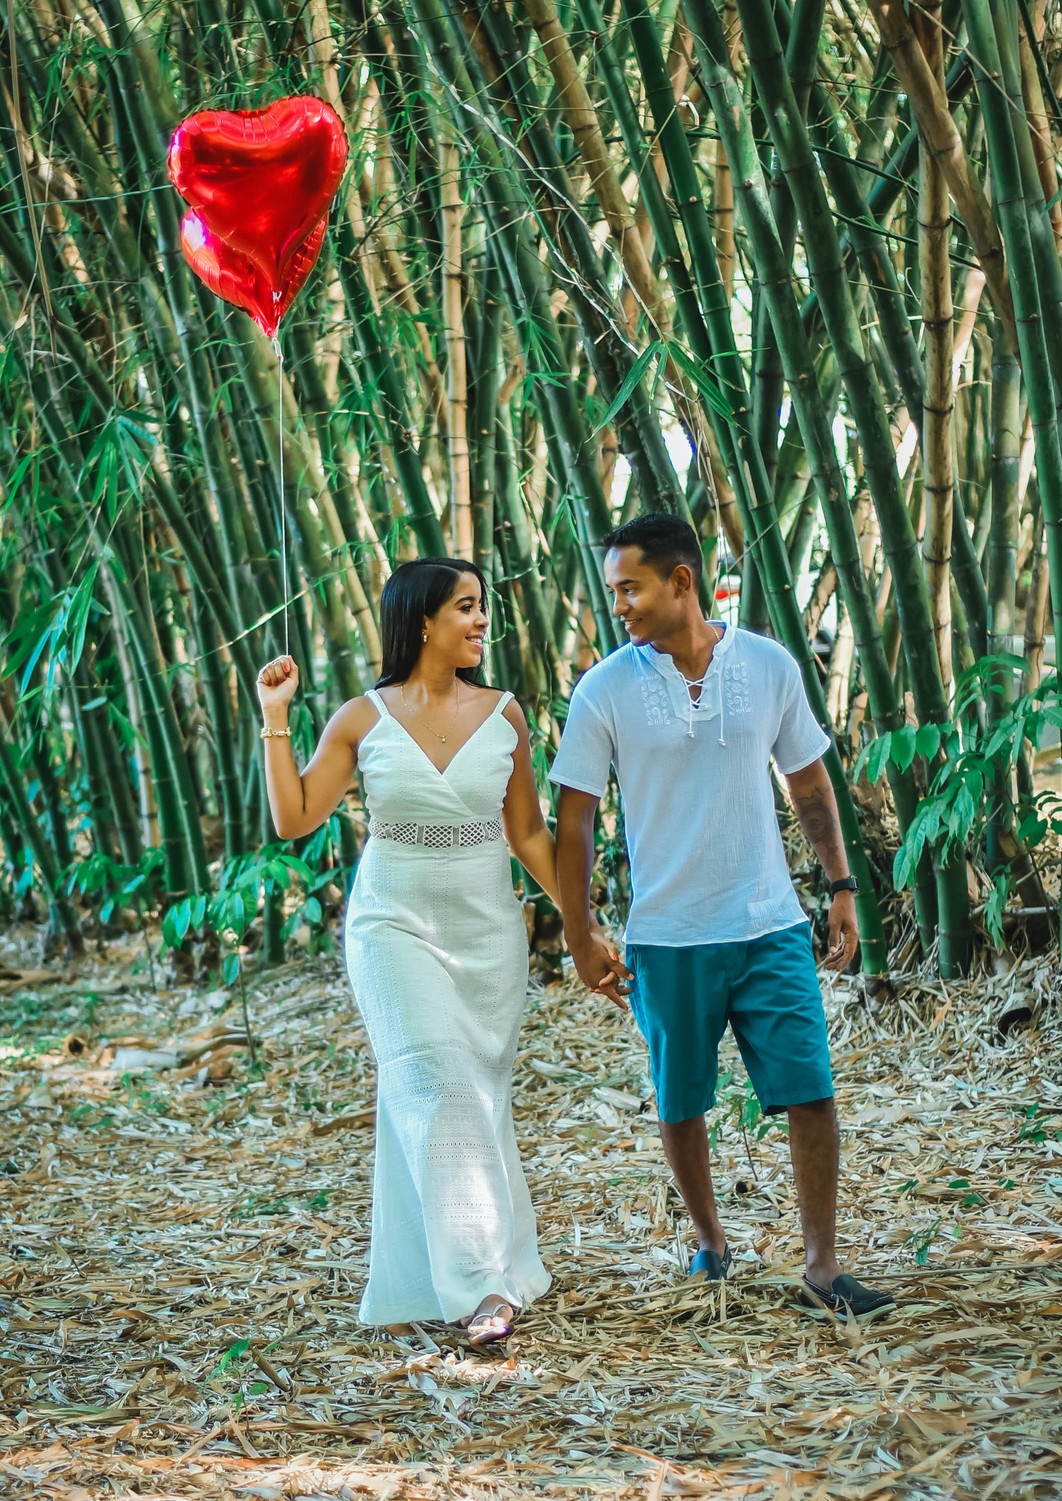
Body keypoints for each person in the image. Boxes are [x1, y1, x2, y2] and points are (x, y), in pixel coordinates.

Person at [257, 558, 616, 1347]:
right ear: (422, 619)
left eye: (483, 606)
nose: (483, 621)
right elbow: (294, 817)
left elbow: (527, 834)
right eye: (467, 606)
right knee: (435, 1086)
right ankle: (483, 1284)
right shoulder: (363, 717)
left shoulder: (507, 716)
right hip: (392, 926)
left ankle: (454, 1266)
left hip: (486, 933)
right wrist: (273, 714)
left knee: (474, 1101)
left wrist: (582, 929)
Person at [552, 515, 896, 1323]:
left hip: (768, 920)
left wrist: (840, 885)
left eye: (629, 588)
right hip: (667, 934)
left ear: (681, 581)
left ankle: (822, 1265)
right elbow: (575, 821)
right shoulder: (603, 688)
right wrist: (580, 932)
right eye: (612, 592)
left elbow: (809, 781)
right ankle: (711, 1241)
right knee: (681, 1098)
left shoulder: (769, 665)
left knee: (810, 1087)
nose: (619, 607)